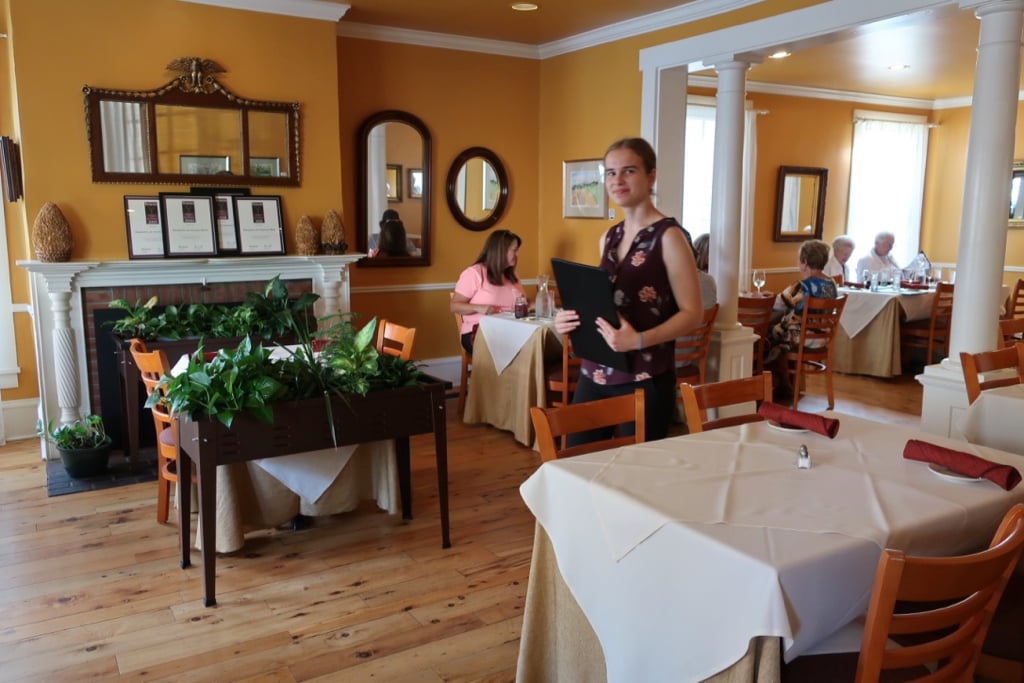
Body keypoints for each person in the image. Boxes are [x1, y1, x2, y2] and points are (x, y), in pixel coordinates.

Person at [554, 137, 703, 443]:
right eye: (610, 172)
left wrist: (639, 340)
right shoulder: (608, 237)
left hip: (645, 380)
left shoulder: (670, 237)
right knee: (576, 461)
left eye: (628, 170)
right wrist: (568, 318)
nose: (617, 180)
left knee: (634, 476)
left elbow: (693, 313)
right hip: (594, 373)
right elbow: (604, 301)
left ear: (651, 176)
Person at [764, 239, 838, 365]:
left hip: (802, 337)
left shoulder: (802, 286)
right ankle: (787, 379)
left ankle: (770, 377)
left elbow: (778, 303)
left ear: (804, 262)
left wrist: (768, 297)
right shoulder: (832, 284)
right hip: (822, 336)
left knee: (765, 335)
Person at [450, 229, 526, 354]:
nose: (517, 255)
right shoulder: (474, 273)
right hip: (477, 333)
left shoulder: (512, 276)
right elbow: (454, 306)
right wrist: (479, 308)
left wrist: (537, 304)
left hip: (510, 330)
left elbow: (524, 302)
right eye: (514, 250)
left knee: (537, 346)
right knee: (521, 351)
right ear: (501, 251)